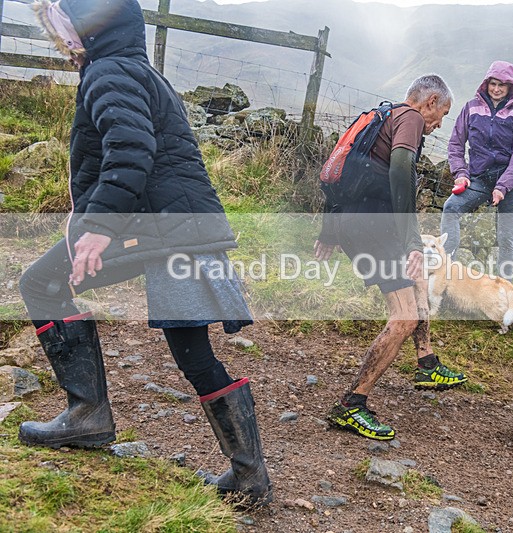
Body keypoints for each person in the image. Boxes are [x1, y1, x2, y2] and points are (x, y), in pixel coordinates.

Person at [22, 0, 271, 505]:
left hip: (163, 226)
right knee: (188, 348)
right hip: (167, 222)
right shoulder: (129, 68)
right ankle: (91, 417)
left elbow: (132, 149)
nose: (64, 43)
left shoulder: (109, 71)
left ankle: (91, 415)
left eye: (65, 30)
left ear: (92, 26)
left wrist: (97, 227)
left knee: (45, 286)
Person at [314, 75, 467, 441]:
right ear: (429, 101)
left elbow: (341, 171)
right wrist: (413, 241)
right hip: (373, 228)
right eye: (442, 114)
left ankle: (426, 362)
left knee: (417, 280)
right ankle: (352, 405)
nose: (439, 124)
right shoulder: (411, 119)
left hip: (358, 222)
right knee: (404, 316)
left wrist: (329, 229)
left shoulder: (380, 116)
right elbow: (400, 171)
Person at [440, 61, 513, 279]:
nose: (496, 89)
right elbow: (455, 145)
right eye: (493, 83)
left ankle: (505, 290)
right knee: (451, 208)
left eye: (502, 85)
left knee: (505, 237)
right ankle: (446, 271)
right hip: (478, 178)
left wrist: (502, 187)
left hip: (510, 183)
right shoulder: (470, 108)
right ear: (486, 83)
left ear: (511, 88)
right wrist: (461, 173)